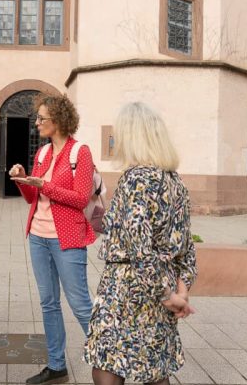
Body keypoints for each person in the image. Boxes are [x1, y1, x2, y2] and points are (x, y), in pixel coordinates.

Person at [83, 102, 197, 385]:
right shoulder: (176, 182)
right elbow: (186, 246)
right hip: (163, 282)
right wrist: (180, 292)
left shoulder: (135, 179)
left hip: (125, 287)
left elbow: (138, 246)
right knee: (155, 368)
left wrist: (167, 296)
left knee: (108, 362)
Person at [8, 94, 96, 385]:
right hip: (38, 236)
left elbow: (81, 199)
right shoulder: (43, 153)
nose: (37, 123)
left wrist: (44, 185)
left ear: (57, 120)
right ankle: (56, 366)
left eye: (41, 118)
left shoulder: (80, 152)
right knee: (48, 303)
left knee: (80, 304)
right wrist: (23, 180)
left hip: (66, 238)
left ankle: (111, 358)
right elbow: (33, 197)